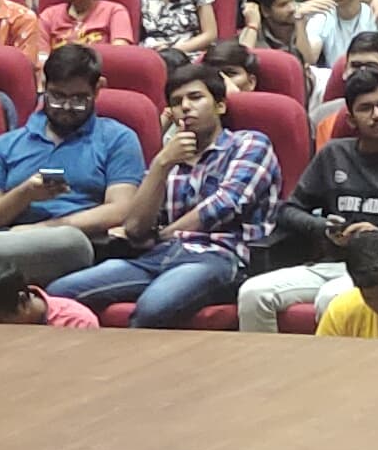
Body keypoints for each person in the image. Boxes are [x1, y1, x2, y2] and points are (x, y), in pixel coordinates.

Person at [51, 58, 286, 328]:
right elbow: (135, 228)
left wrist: (165, 233)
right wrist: (161, 164)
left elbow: (225, 204)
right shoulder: (170, 158)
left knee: (152, 308)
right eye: (176, 102)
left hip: (219, 257)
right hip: (160, 256)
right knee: (59, 293)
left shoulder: (249, 144)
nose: (185, 106)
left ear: (220, 105)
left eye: (195, 97)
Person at [0, 44, 151, 317]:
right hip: (7, 249)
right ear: (43, 85)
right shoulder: (9, 143)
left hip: (72, 249)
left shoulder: (118, 138)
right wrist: (25, 194)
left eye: (79, 99)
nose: (67, 107)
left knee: (69, 241)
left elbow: (120, 209)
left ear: (98, 89)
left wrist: (41, 229)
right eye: (57, 97)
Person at [237, 56, 378, 329]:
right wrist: (325, 228)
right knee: (253, 293)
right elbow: (288, 210)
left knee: (332, 299)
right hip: (334, 262)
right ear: (351, 119)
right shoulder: (334, 154)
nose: (377, 115)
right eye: (366, 108)